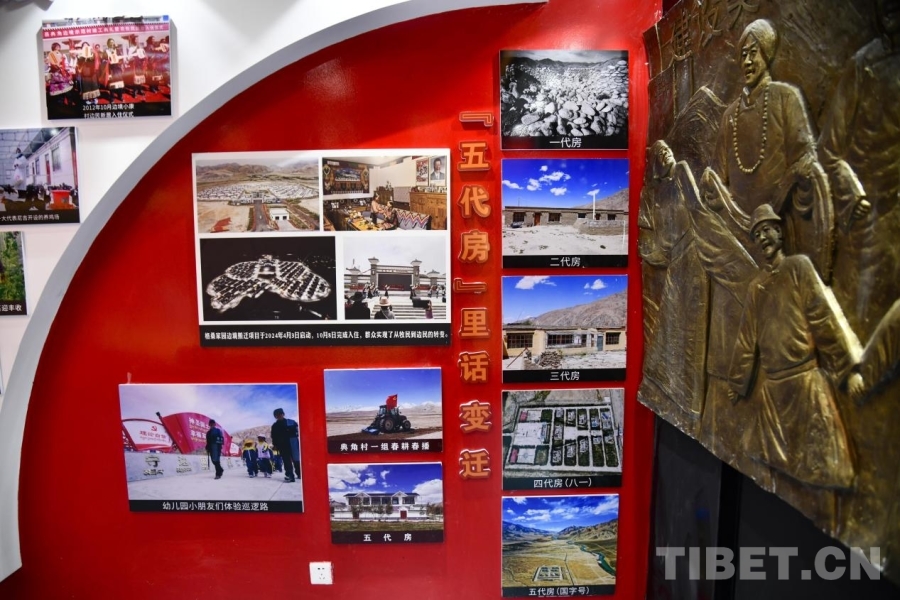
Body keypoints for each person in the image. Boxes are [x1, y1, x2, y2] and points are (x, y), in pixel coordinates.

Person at [728, 204, 862, 490]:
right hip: (773, 396)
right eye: (756, 235)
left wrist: (848, 371)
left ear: (779, 232)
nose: (762, 238)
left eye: (766, 230)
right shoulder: (756, 287)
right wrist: (737, 383)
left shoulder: (798, 267)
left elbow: (825, 319)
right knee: (770, 467)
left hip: (806, 388)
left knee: (826, 474)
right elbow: (746, 340)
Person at [706, 19, 833, 280]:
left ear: (767, 54)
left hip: (781, 226)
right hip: (740, 233)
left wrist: (788, 184)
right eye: (743, 54)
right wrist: (710, 185)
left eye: (753, 53)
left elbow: (807, 157)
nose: (747, 61)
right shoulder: (730, 116)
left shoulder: (786, 97)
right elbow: (719, 176)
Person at [271, 408, 300, 483]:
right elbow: (274, 437)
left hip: (293, 444)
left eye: (280, 414)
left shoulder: (291, 422)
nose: (278, 416)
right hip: (283, 446)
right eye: (276, 415)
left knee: (296, 459)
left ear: (283, 414)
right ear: (275, 416)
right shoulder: (275, 426)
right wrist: (275, 445)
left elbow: (297, 432)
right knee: (286, 461)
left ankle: (300, 474)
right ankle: (290, 475)